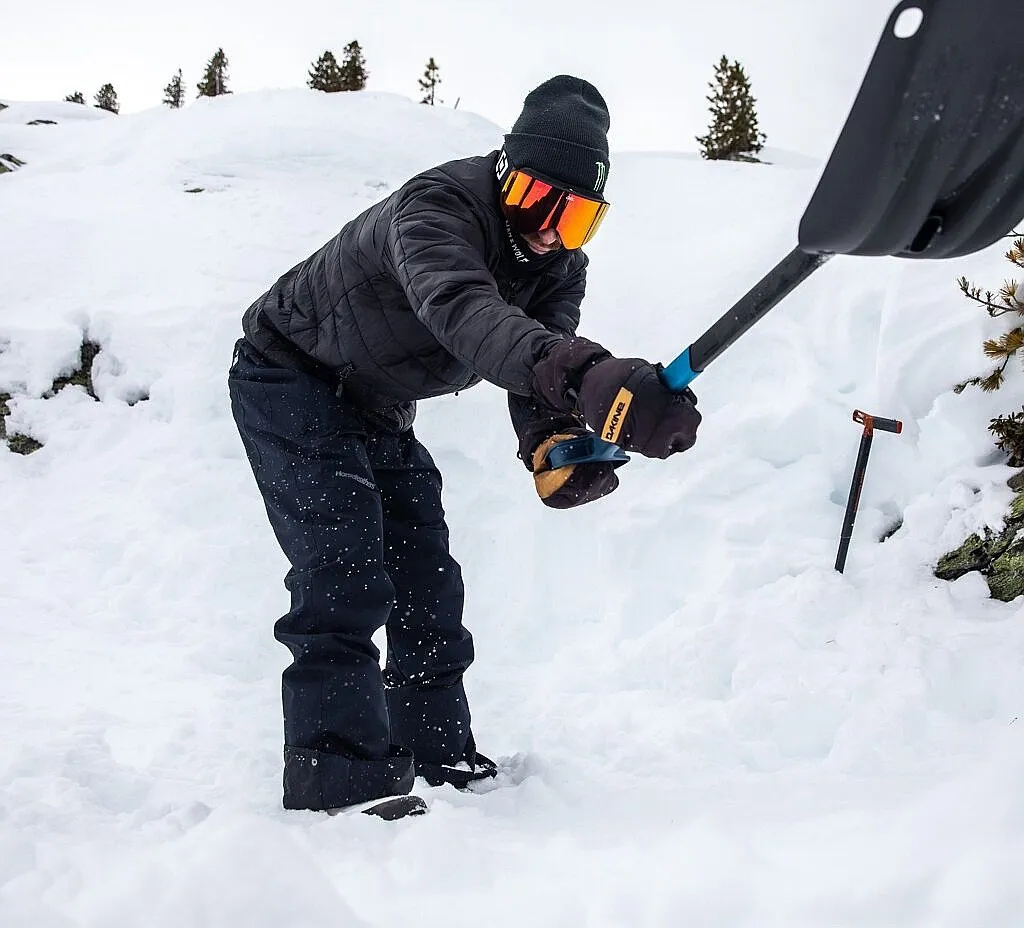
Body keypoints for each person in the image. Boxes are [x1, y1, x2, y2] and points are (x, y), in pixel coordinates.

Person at [228, 75, 701, 812]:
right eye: (540, 201)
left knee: (427, 576)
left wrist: (554, 442)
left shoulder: (556, 266)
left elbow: (537, 363)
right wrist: (591, 377)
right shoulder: (436, 210)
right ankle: (340, 777)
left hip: (379, 401)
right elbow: (466, 312)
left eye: (577, 219)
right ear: (505, 172)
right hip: (290, 374)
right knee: (343, 568)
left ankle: (430, 749)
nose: (551, 230)